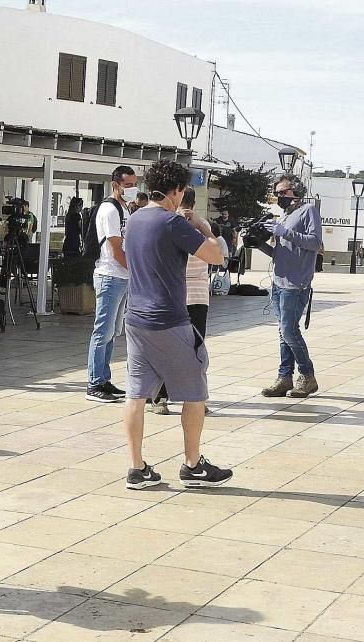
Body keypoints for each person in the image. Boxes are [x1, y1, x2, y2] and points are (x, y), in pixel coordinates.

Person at [122, 160, 231, 490]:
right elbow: (216, 255)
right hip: (168, 319)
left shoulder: (136, 219)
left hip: (136, 318)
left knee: (136, 394)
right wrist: (201, 224)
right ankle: (193, 464)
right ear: (176, 191)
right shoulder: (173, 223)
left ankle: (137, 468)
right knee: (195, 391)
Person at [257, 175, 323, 398]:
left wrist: (285, 232)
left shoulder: (308, 211)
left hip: (296, 282)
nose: (279, 197)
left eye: (283, 192)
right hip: (278, 280)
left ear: (297, 191)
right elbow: (280, 252)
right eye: (276, 193)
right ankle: (285, 377)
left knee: (289, 330)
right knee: (283, 331)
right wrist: (258, 243)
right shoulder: (285, 215)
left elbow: (315, 243)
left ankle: (307, 375)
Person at [147, 188, 211, 415]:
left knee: (182, 348)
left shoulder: (189, 224)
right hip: (186, 295)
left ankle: (182, 398)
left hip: (186, 295)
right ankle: (170, 397)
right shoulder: (177, 224)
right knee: (185, 349)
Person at [86, 165, 138, 403]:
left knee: (112, 332)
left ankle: (104, 379)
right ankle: (94, 382)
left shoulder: (124, 208)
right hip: (110, 275)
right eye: (128, 185)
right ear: (115, 185)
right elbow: (115, 248)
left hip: (121, 277)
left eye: (134, 185)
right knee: (103, 331)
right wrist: (137, 271)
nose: (132, 189)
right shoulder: (109, 210)